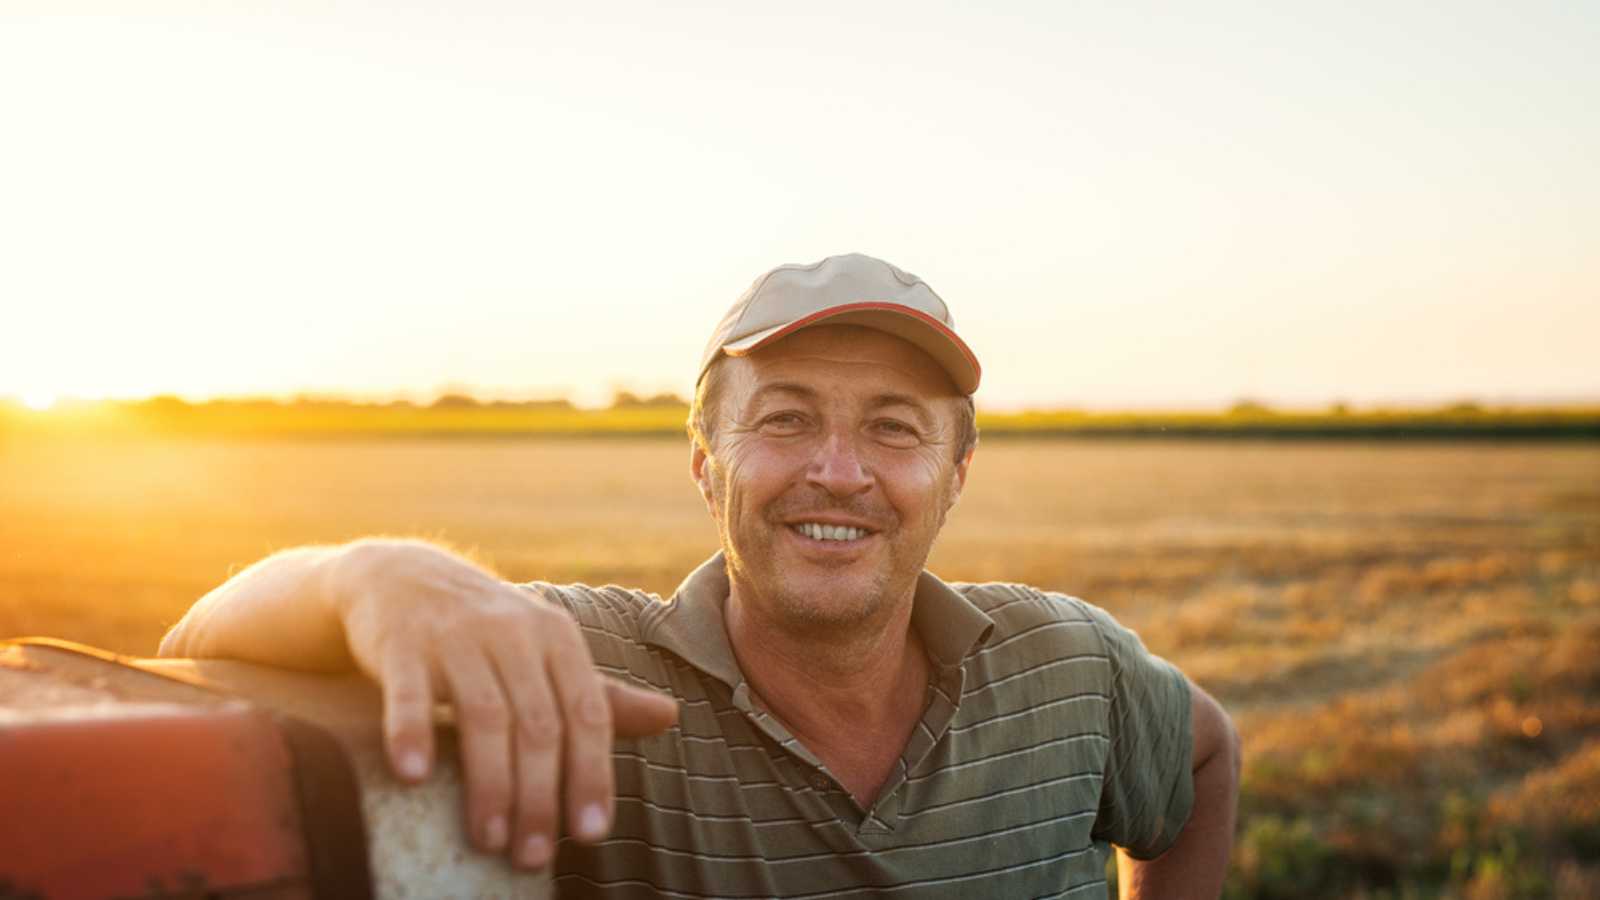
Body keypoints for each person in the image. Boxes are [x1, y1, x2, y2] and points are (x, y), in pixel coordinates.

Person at [161, 253, 1241, 898]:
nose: (837, 471)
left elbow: (1204, 754)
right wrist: (371, 577)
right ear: (701, 462)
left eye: (892, 429)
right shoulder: (576, 671)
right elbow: (194, 648)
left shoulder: (1066, 664)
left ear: (955, 473)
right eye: (784, 420)